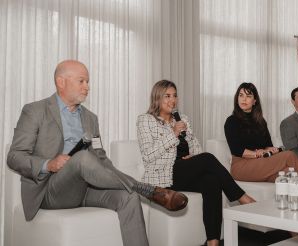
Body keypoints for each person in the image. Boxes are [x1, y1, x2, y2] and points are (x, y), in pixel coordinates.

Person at [7, 60, 188, 246]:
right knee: (83, 157)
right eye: (81, 81)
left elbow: (101, 158)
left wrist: (114, 175)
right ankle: (146, 189)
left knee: (129, 196)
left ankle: (138, 190)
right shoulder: (35, 111)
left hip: (85, 189)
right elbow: (15, 156)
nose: (87, 87)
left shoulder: (90, 118)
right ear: (61, 82)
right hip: (50, 190)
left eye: (88, 82)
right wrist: (48, 164)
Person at [136, 80, 255, 246]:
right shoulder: (146, 120)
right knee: (207, 158)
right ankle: (242, 198)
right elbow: (148, 155)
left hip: (185, 170)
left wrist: (192, 157)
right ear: (157, 98)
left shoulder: (182, 119)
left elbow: (196, 148)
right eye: (167, 96)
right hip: (164, 174)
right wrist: (173, 133)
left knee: (211, 181)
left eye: (175, 96)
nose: (173, 100)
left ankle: (213, 242)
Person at [224, 82, 298, 182]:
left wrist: (272, 150)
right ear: (237, 98)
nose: (244, 99)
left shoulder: (261, 121)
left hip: (260, 164)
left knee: (288, 173)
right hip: (241, 166)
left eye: (248, 96)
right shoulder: (231, 121)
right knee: (289, 155)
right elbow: (236, 150)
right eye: (241, 95)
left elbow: (268, 145)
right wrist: (257, 153)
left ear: (254, 101)